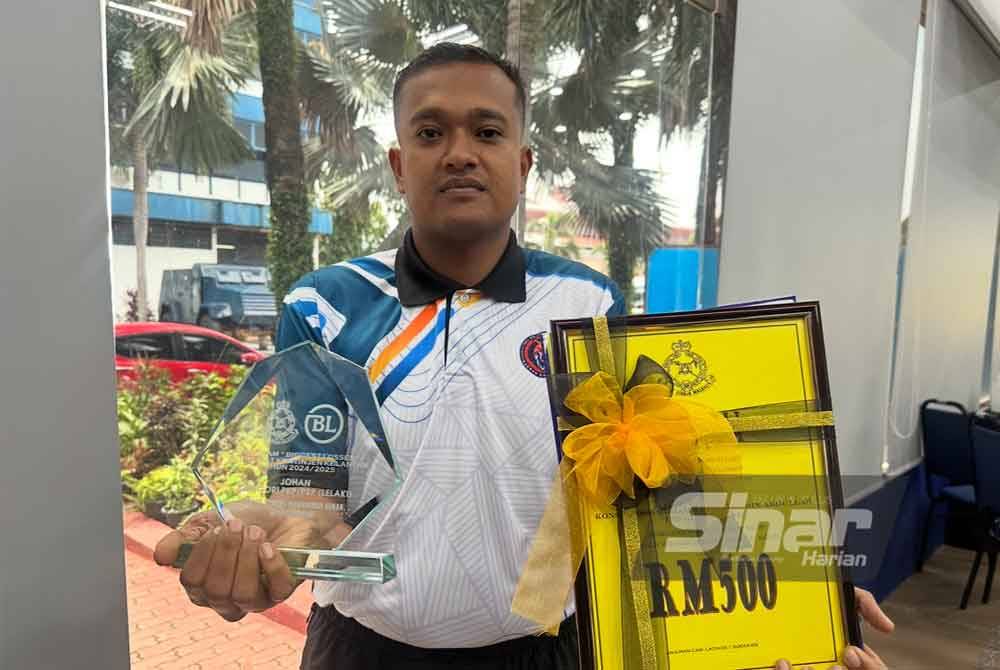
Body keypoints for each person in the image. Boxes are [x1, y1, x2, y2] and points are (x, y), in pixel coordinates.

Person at [154, 43, 894, 670]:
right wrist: (270, 542)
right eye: (431, 132)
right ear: (397, 163)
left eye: (487, 131)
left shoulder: (589, 305)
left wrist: (796, 593)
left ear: (524, 160)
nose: (461, 154)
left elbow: (640, 487)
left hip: (548, 648)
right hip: (362, 647)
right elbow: (307, 501)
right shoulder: (326, 304)